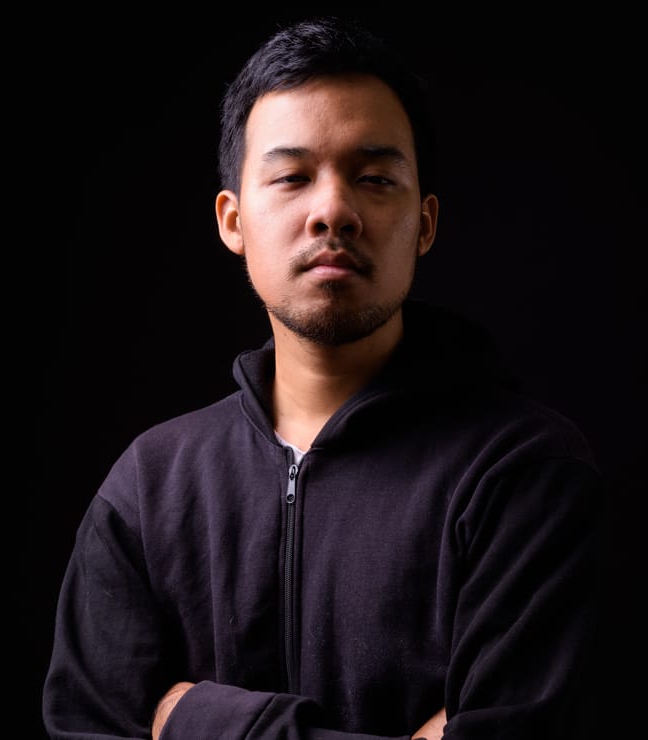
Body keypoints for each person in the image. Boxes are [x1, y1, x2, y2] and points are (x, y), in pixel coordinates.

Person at [42, 15, 604, 740]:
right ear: (232, 220)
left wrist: (196, 720)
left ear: (425, 222)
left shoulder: (523, 474)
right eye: (292, 177)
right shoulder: (149, 487)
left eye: (374, 179)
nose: (333, 210)